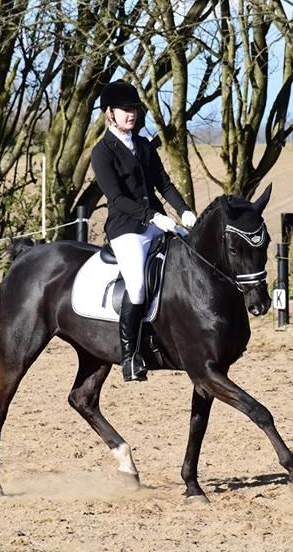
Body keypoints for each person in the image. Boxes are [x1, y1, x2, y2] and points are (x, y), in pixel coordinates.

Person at [90, 79, 197, 382]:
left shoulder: (144, 145)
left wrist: (185, 211)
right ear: (109, 113)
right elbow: (117, 199)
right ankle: (129, 356)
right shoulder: (103, 151)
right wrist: (153, 217)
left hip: (157, 222)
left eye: (133, 108)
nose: (131, 114)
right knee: (137, 285)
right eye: (125, 110)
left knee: (190, 256)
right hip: (127, 229)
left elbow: (163, 184)